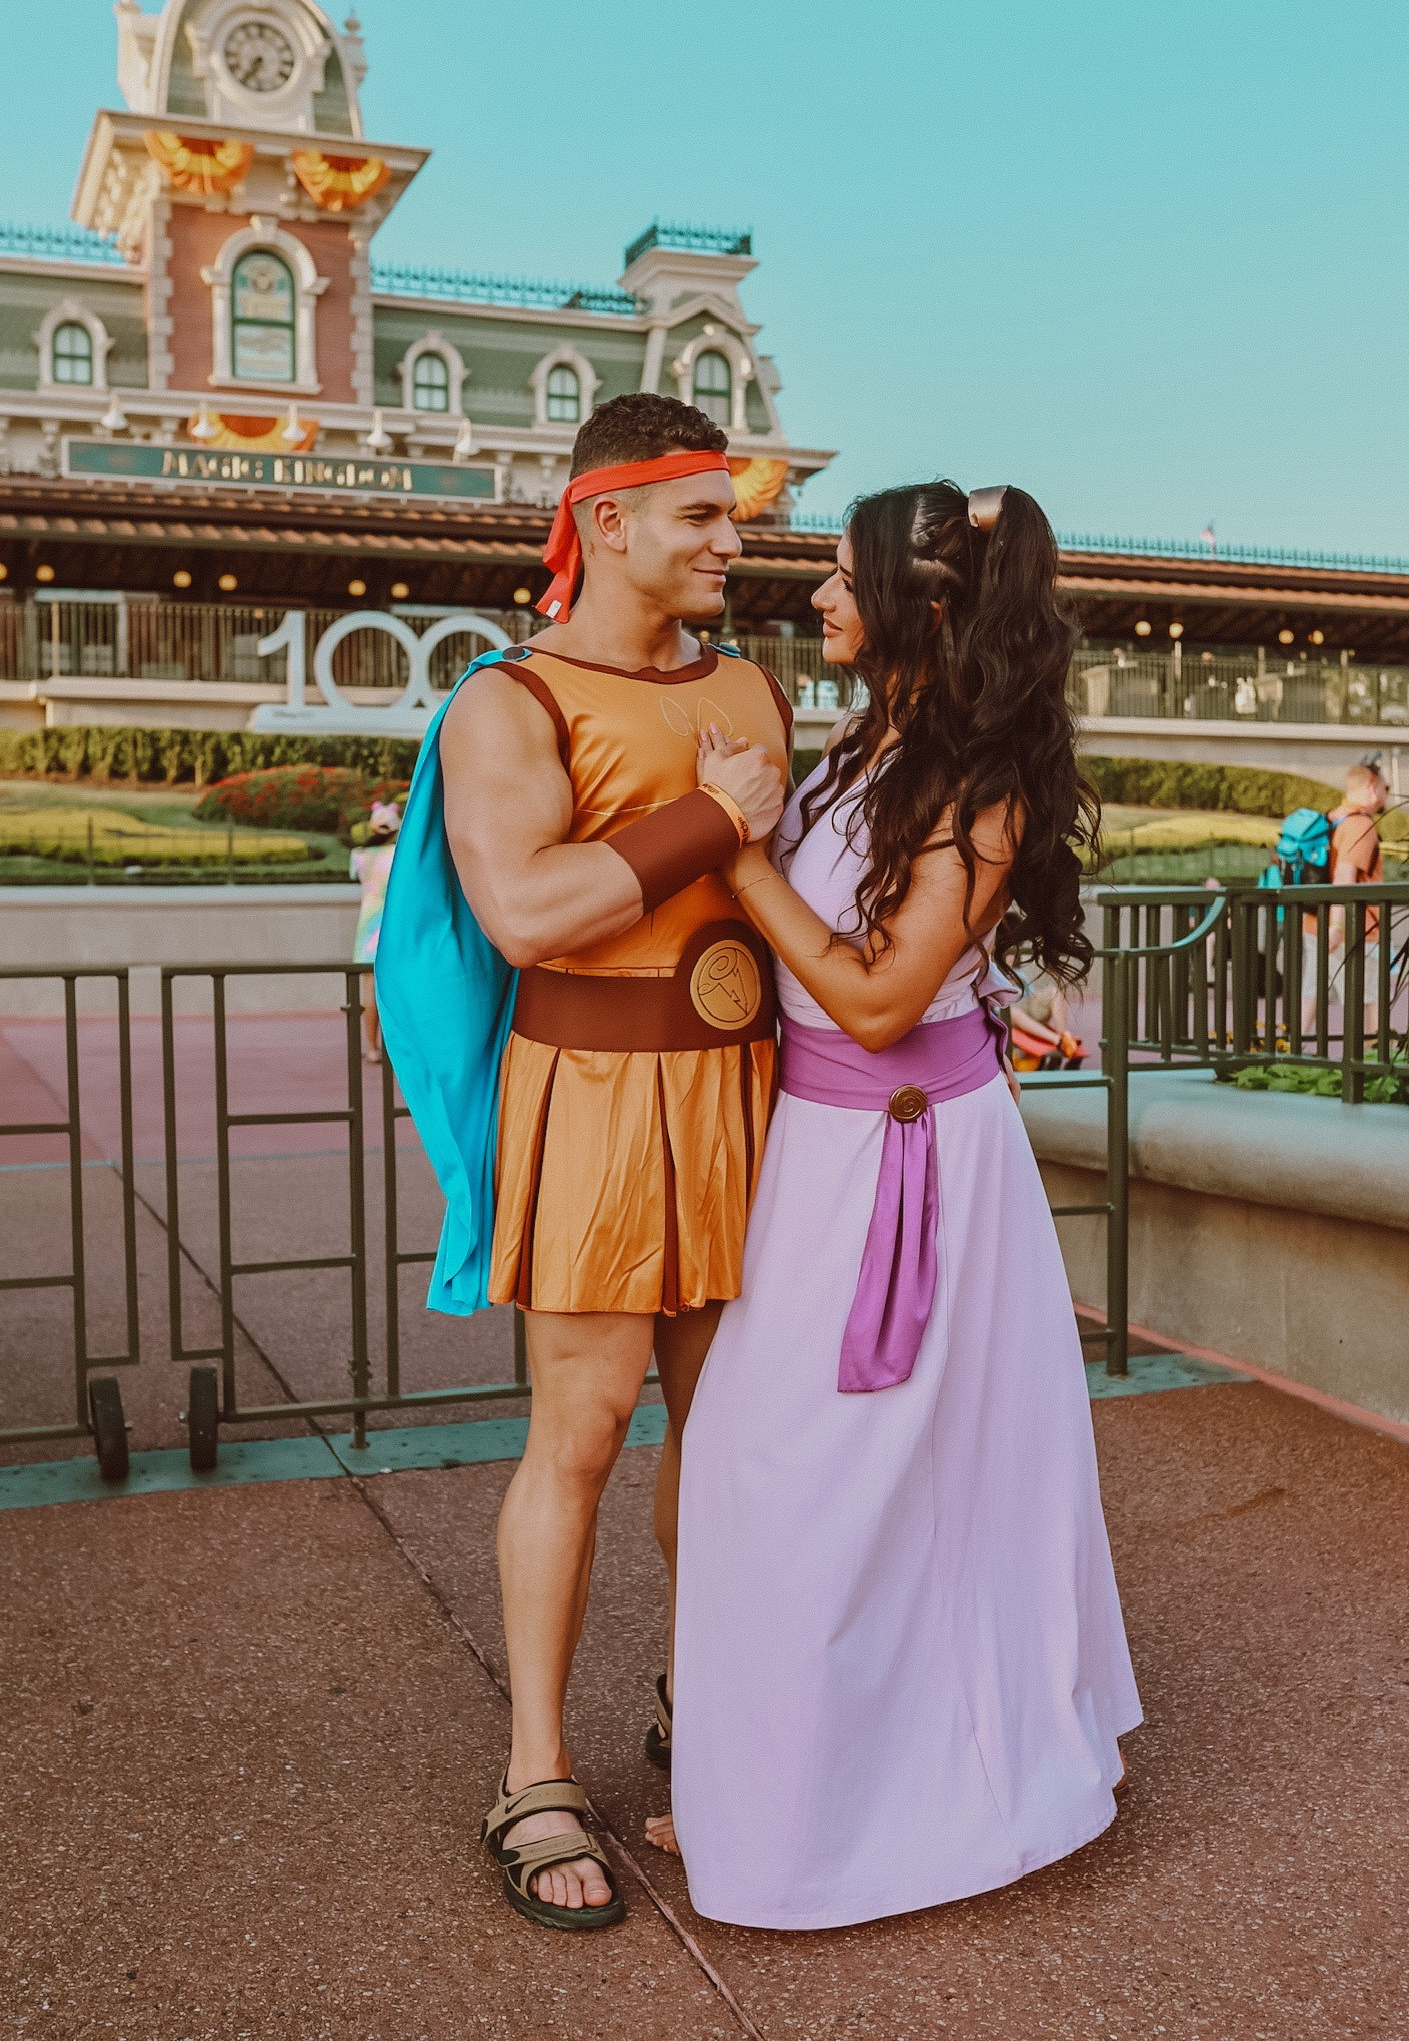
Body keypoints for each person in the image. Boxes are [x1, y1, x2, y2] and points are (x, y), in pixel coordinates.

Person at [647, 481, 1142, 1929]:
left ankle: (874, 1804)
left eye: (841, 575)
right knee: (775, 1468)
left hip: (901, 1153)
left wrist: (736, 856)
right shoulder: (866, 747)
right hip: (816, 1147)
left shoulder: (979, 783)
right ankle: (778, 1784)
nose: (817, 596)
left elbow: (872, 1001)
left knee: (828, 1477)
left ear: (920, 606)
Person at [377, 392, 789, 1932]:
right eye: (703, 515)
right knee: (584, 1433)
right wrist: (708, 816)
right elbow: (528, 912)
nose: (732, 543)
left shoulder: (749, 683)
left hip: (752, 1095)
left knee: (732, 1433)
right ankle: (535, 1771)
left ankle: (710, 1707)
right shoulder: (511, 701)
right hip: (596, 1097)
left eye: (734, 515)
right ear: (607, 522)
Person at [1300, 760, 1389, 1041]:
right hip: (1354, 927)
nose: (1387, 794)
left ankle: (1291, 1046)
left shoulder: (1332, 818)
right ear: (1372, 786)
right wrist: (1337, 927)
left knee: (1312, 989)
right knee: (1371, 994)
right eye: (1385, 787)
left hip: (1315, 921)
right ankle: (1375, 1051)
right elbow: (1344, 875)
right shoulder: (1360, 824)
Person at [349, 800, 400, 1063]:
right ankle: (398, 1050)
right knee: (397, 988)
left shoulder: (359, 855)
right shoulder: (398, 854)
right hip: (393, 925)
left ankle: (371, 1047)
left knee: (369, 989)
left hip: (368, 926)